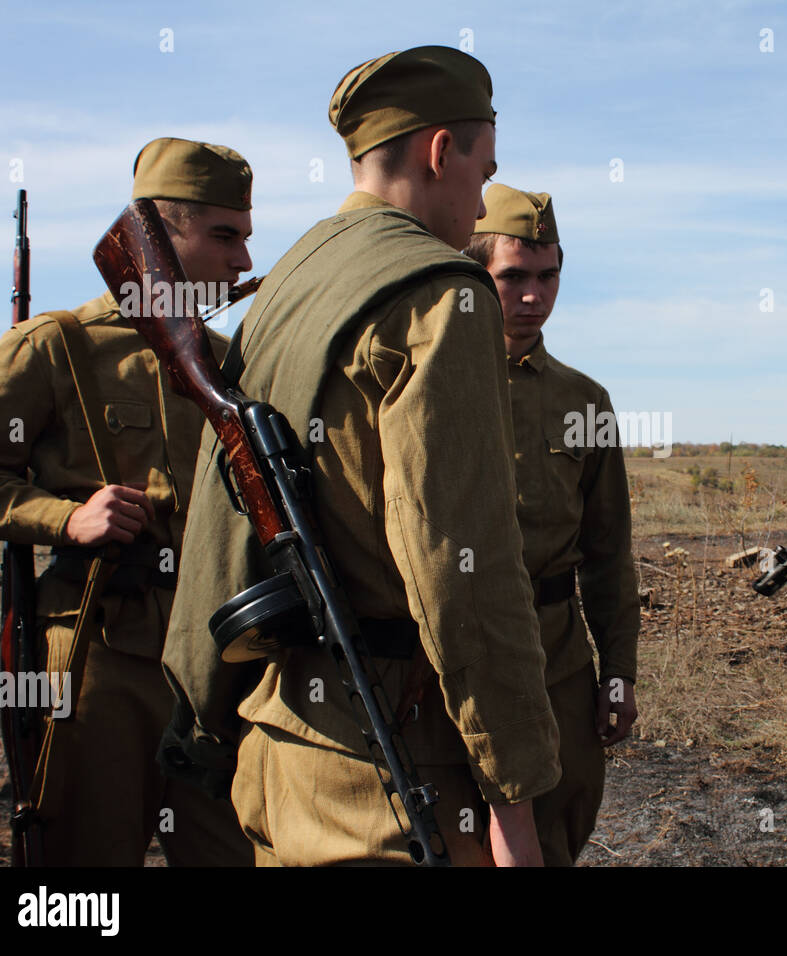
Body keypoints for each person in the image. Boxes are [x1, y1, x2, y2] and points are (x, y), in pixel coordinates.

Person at [159, 47, 561, 867]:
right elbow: (458, 562)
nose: (485, 202)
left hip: (281, 743)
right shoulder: (437, 293)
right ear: (440, 151)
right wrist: (515, 792)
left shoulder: (294, 276)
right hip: (394, 763)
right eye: (485, 173)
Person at [0, 137, 255, 865]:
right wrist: (64, 519)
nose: (243, 261)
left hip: (215, 662)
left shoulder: (230, 366)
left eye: (246, 237)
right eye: (224, 235)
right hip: (99, 654)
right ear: (153, 238)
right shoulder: (58, 347)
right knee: (85, 877)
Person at [463, 185, 640, 865]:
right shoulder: (425, 381)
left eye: (548, 277)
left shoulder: (583, 400)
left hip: (557, 659)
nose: (533, 296)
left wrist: (617, 672)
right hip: (457, 655)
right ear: (476, 273)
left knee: (557, 828)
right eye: (513, 277)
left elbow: (608, 553)